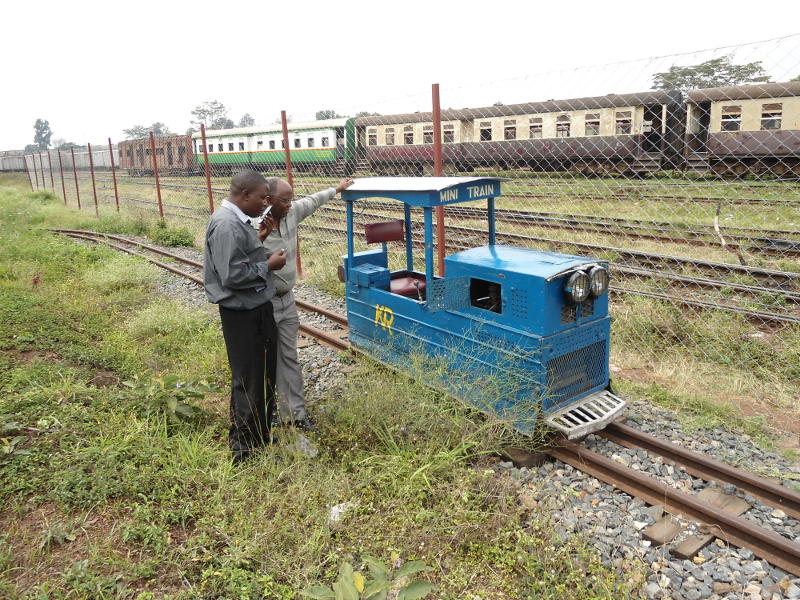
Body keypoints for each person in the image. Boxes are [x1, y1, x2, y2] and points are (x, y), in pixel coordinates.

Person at [204, 169, 287, 464]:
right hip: (242, 314)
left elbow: (241, 259)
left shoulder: (239, 222)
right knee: (248, 379)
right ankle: (244, 451)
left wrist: (259, 242)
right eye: (263, 197)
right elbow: (232, 275)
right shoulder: (226, 225)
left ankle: (260, 436)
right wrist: (269, 266)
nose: (266, 203)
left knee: (263, 375)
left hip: (255, 309)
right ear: (244, 195)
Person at [259, 176, 354, 431]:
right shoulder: (253, 225)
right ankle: (262, 418)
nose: (291, 204)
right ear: (268, 201)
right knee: (261, 361)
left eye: (292, 199)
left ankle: (294, 416)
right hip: (261, 304)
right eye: (285, 200)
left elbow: (313, 201)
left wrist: (336, 188)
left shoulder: (291, 213)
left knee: (288, 357)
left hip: (286, 301)